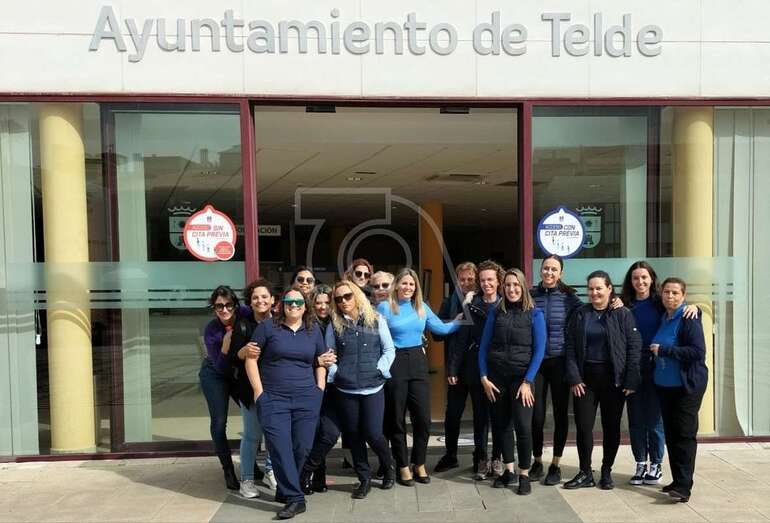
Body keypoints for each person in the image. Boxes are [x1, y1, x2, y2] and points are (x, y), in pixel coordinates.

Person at [244, 288, 333, 520]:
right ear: (281, 304)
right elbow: (251, 359)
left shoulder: (313, 331)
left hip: (307, 398)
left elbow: (321, 362)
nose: (294, 305)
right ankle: (296, 498)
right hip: (273, 399)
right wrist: (259, 392)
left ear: (306, 306)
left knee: (301, 447)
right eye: (289, 301)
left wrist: (319, 389)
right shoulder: (267, 328)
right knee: (279, 447)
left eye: (298, 301)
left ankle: (284, 490)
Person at [377, 268, 461, 486]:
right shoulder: (385, 307)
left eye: (412, 284)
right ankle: (403, 466)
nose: (408, 288)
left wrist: (459, 321)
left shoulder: (421, 307)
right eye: (404, 283)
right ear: (396, 285)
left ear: (416, 288)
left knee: (423, 419)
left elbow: (441, 329)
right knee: (396, 418)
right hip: (395, 362)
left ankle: (419, 463)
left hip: (417, 361)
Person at [620, 261, 698, 486]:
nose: (640, 282)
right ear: (630, 281)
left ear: (652, 279)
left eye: (644, 277)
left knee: (654, 418)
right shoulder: (625, 304)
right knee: (635, 418)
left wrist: (695, 307)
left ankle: (656, 464)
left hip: (657, 365)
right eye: (635, 278)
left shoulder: (661, 302)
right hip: (632, 366)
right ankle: (640, 463)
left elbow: (680, 308)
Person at [564, 270, 641, 491]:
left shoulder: (622, 314)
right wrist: (574, 377)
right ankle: (585, 472)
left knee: (611, 427)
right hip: (584, 381)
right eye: (591, 289)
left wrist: (631, 379)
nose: (594, 292)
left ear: (609, 289)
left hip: (613, 381)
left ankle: (606, 471)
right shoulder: (581, 314)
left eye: (599, 288)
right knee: (584, 427)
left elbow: (634, 346)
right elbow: (570, 346)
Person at [325, 281, 397, 498]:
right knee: (354, 436)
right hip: (346, 389)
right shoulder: (334, 324)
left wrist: (380, 369)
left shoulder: (376, 319)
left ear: (356, 295)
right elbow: (330, 354)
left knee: (374, 434)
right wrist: (338, 372)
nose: (343, 301)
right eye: (338, 299)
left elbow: (389, 349)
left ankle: (389, 466)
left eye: (347, 296)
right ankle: (364, 478)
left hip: (373, 387)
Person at [478, 268, 546, 495]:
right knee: (502, 426)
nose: (511, 289)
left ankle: (524, 473)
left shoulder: (535, 314)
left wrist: (528, 381)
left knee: (523, 427)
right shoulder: (496, 312)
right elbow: (484, 347)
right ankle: (509, 470)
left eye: (515, 284)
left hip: (521, 380)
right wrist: (484, 377)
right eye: (507, 285)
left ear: (523, 286)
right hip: (497, 379)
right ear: (502, 287)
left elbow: (539, 350)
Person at [435, 261, 498, 480]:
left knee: (483, 415)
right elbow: (436, 333)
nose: (466, 283)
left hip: (479, 366)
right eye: (462, 280)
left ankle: (480, 457)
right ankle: (450, 454)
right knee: (452, 414)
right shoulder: (449, 302)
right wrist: (455, 321)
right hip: (457, 367)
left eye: (471, 279)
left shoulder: (483, 303)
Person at [650, 277, 708, 503]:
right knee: (672, 435)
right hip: (665, 386)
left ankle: (684, 487)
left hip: (686, 387)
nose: (670, 296)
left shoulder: (688, 317)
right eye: (666, 292)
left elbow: (697, 351)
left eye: (675, 293)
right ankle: (677, 480)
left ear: (683, 296)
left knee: (684, 435)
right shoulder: (664, 316)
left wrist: (664, 350)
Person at [529, 255, 582, 486]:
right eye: (546, 268)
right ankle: (537, 461)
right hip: (537, 363)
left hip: (560, 361)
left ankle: (556, 465)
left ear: (560, 273)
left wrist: (616, 302)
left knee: (560, 415)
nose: (549, 272)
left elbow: (593, 309)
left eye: (554, 269)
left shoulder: (570, 298)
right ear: (540, 271)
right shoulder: (531, 295)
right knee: (536, 415)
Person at [228, 279, 275, 498]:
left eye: (264, 296)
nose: (260, 300)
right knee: (252, 436)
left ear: (272, 300)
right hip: (250, 390)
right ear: (251, 301)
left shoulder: (280, 323)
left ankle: (270, 472)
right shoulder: (243, 324)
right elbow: (232, 357)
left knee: (276, 434)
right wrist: (243, 351)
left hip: (278, 388)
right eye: (256, 297)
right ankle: (246, 480)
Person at [199, 285, 242, 491]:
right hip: (216, 373)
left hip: (238, 372)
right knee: (219, 421)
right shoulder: (211, 330)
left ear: (235, 305)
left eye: (228, 305)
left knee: (254, 416)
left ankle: (250, 462)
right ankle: (227, 468)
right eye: (218, 306)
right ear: (214, 308)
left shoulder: (244, 315)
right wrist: (225, 346)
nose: (224, 310)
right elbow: (220, 366)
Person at [300, 285, 340, 495]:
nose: (323, 307)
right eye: (318, 302)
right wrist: (318, 361)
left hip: (335, 386)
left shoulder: (338, 322)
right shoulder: (306, 325)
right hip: (311, 385)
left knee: (330, 433)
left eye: (327, 302)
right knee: (315, 432)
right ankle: (317, 476)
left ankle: (308, 470)